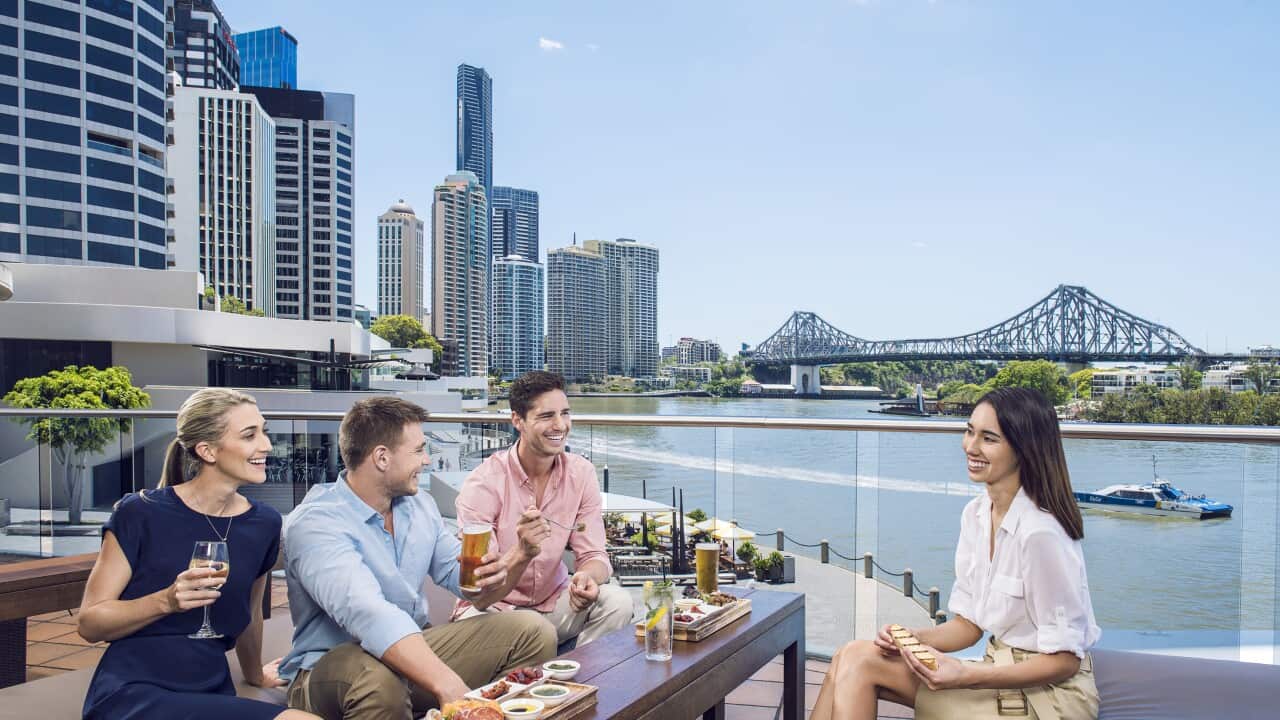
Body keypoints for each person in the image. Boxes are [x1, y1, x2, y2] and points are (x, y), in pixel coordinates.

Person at [812, 387, 1101, 720]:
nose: (970, 447)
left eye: (989, 439)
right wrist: (911, 639)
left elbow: (1065, 660)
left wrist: (966, 674)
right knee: (851, 657)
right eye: (969, 431)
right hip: (997, 671)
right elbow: (969, 625)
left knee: (855, 663)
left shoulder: (1041, 534)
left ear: (1025, 448)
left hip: (1051, 698)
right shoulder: (976, 515)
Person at [279, 396, 557, 719]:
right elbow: (369, 614)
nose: (427, 460)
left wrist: (518, 555)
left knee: (534, 632)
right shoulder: (315, 522)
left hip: (411, 649)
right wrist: (445, 682)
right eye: (418, 450)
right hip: (331, 666)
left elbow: (473, 590)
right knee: (378, 683)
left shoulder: (419, 506)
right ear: (381, 458)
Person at [79, 388, 318, 720]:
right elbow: (90, 623)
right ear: (207, 451)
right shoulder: (140, 513)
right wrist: (167, 601)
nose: (265, 444)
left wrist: (255, 675)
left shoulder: (264, 523)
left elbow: (249, 614)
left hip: (210, 687)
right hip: (132, 691)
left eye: (264, 431)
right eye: (250, 435)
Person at [454, 371, 632, 647]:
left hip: (554, 605)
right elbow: (480, 590)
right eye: (547, 416)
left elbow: (595, 554)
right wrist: (522, 553)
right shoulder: (483, 482)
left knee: (618, 602)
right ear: (517, 420)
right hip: (494, 612)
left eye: (565, 413)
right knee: (520, 629)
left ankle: (577, 680)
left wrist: (586, 577)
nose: (560, 425)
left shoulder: (581, 473)